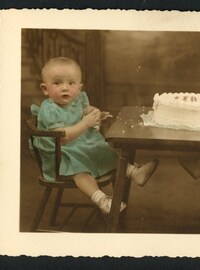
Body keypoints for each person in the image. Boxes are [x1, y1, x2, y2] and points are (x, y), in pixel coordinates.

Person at [30, 57, 159, 215]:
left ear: (79, 87)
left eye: (71, 83)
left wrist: (95, 113)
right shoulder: (49, 109)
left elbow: (85, 109)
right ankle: (101, 199)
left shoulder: (76, 99)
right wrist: (85, 123)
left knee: (101, 148)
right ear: (45, 89)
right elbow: (61, 137)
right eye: (57, 83)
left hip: (76, 145)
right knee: (79, 168)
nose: (65, 88)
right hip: (59, 153)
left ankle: (133, 172)